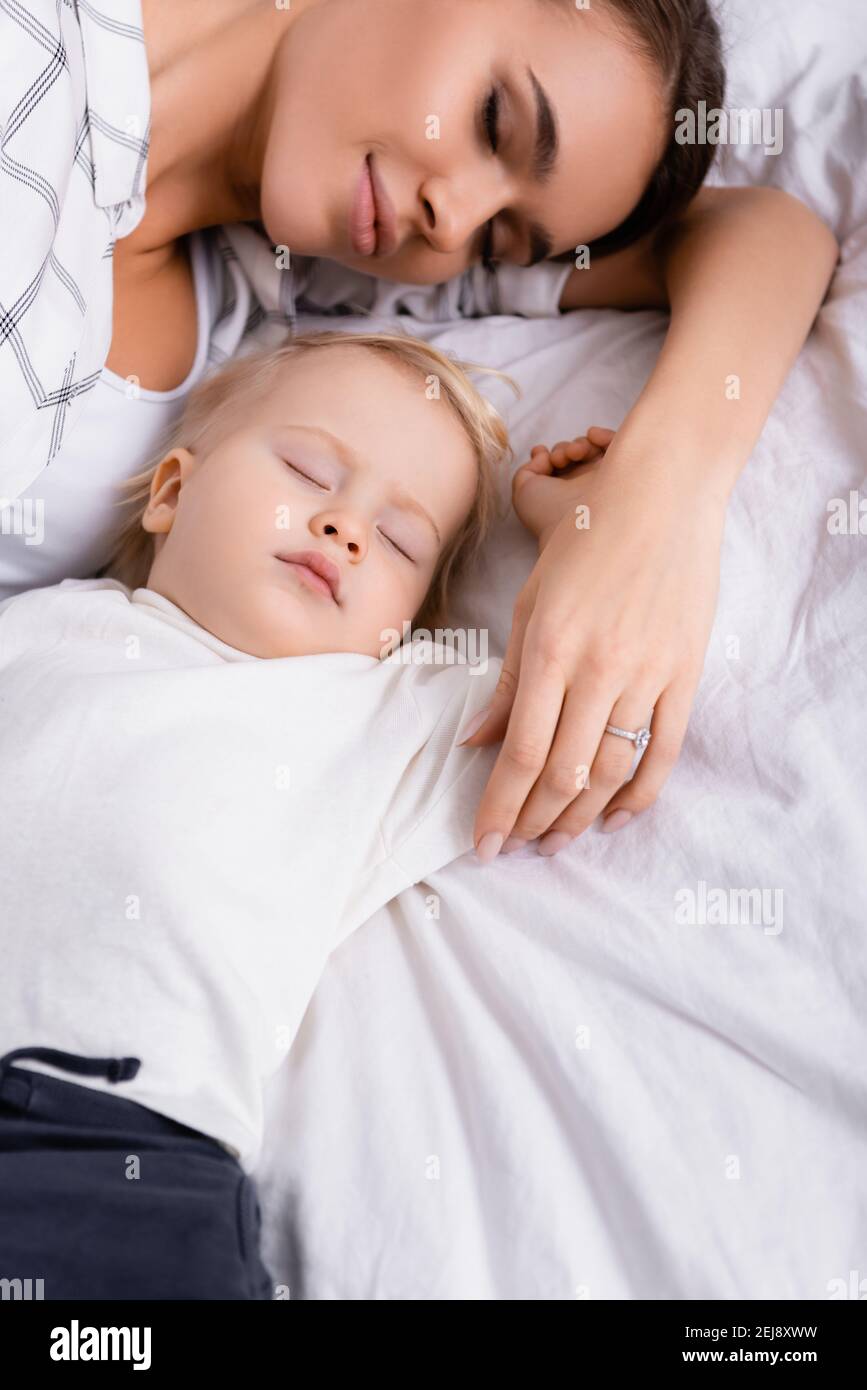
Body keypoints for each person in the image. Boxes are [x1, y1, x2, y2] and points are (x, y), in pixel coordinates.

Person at [0, 0, 839, 856]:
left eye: (498, 242)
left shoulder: (291, 269)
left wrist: (654, 511)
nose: (455, 221)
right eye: (493, 120)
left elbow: (765, 231)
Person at [0, 328, 595, 1298]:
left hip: (120, 1152)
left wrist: (579, 526)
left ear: (405, 626)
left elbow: (588, 699)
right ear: (173, 491)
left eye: (399, 542)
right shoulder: (33, 626)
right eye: (310, 471)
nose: (347, 526)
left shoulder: (382, 712)